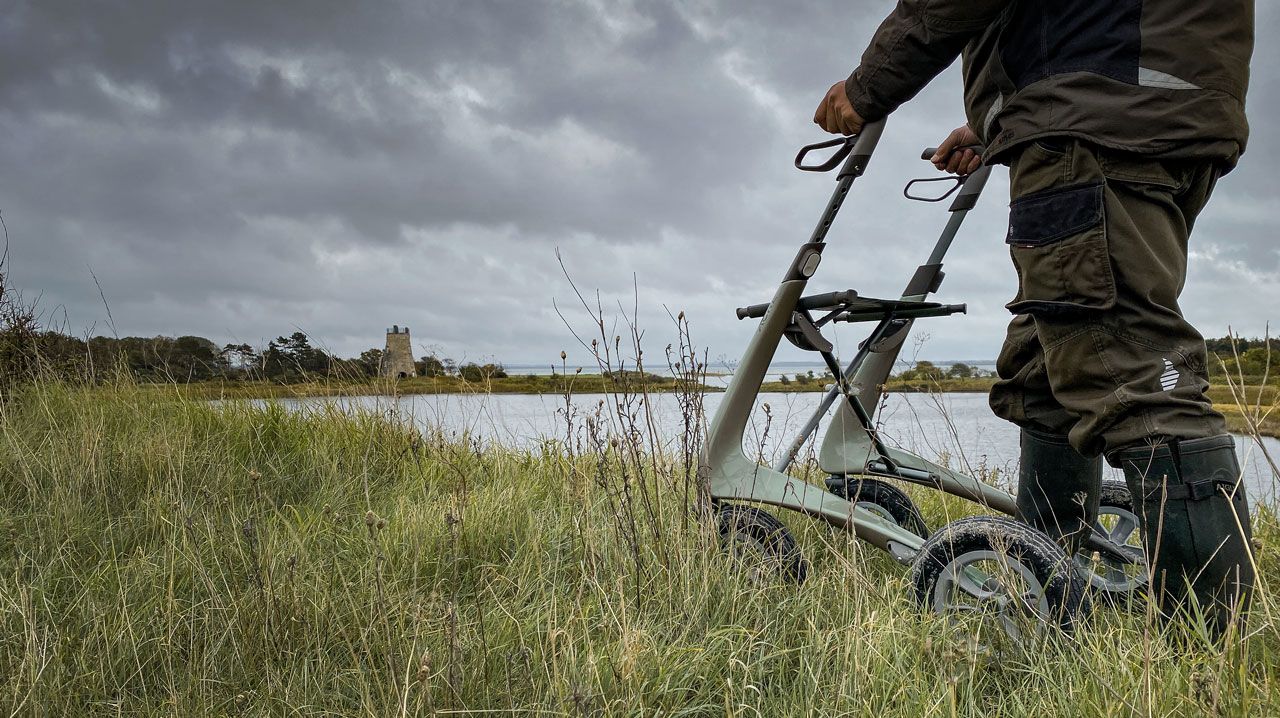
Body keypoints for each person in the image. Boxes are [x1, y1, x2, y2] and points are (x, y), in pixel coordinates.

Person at [813, 1, 1256, 639]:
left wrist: (866, 88)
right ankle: (1048, 589)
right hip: (1147, 107)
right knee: (1046, 365)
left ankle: (1213, 653)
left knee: (1131, 372)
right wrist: (998, 122)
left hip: (1096, 115)